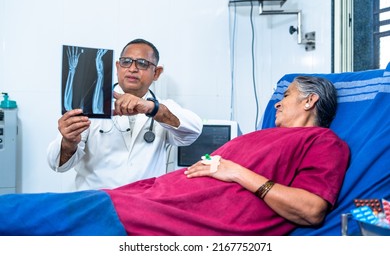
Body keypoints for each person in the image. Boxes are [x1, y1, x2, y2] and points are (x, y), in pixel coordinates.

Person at [0, 76, 349, 236]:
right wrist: (68, 141)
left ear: (310, 101)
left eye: (286, 95)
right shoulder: (260, 137)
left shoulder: (322, 141)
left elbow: (311, 210)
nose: (277, 102)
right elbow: (58, 160)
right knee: (33, 213)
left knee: (28, 214)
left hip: (156, 215)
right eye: (125, 62)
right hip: (142, 199)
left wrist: (234, 171)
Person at [47, 38, 203, 190]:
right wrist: (69, 142)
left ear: (156, 72)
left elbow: (193, 132)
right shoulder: (89, 105)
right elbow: (57, 165)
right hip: (98, 204)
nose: (132, 69)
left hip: (144, 206)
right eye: (126, 62)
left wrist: (151, 108)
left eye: (142, 63)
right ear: (117, 67)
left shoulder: (163, 108)